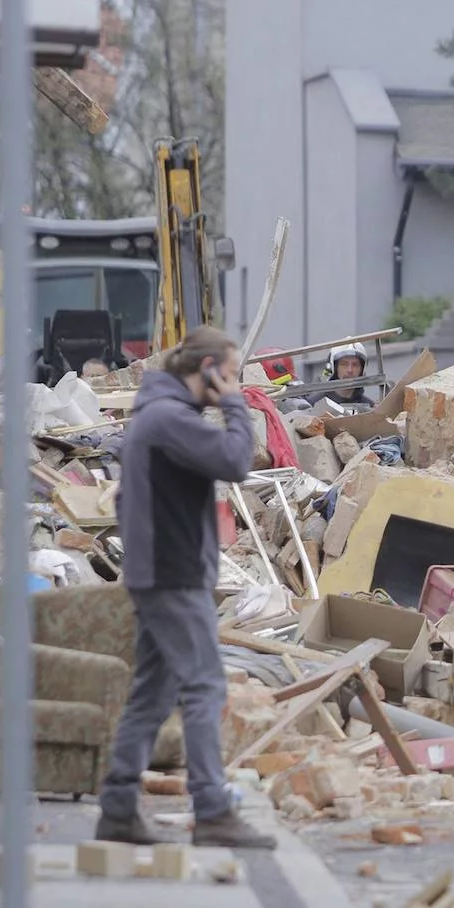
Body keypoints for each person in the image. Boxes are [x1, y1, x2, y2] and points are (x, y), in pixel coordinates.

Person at [100, 327, 275, 849]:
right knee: (204, 687)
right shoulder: (169, 419)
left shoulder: (160, 415)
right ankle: (214, 811)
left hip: (160, 572)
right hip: (172, 575)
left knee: (152, 696)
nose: (236, 383)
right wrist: (238, 408)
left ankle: (118, 808)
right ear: (208, 371)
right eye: (233, 373)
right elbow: (236, 461)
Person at [324, 342, 374, 411]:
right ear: (334, 368)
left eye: (355, 364)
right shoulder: (316, 404)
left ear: (362, 370)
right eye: (344, 364)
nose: (350, 370)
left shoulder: (369, 407)